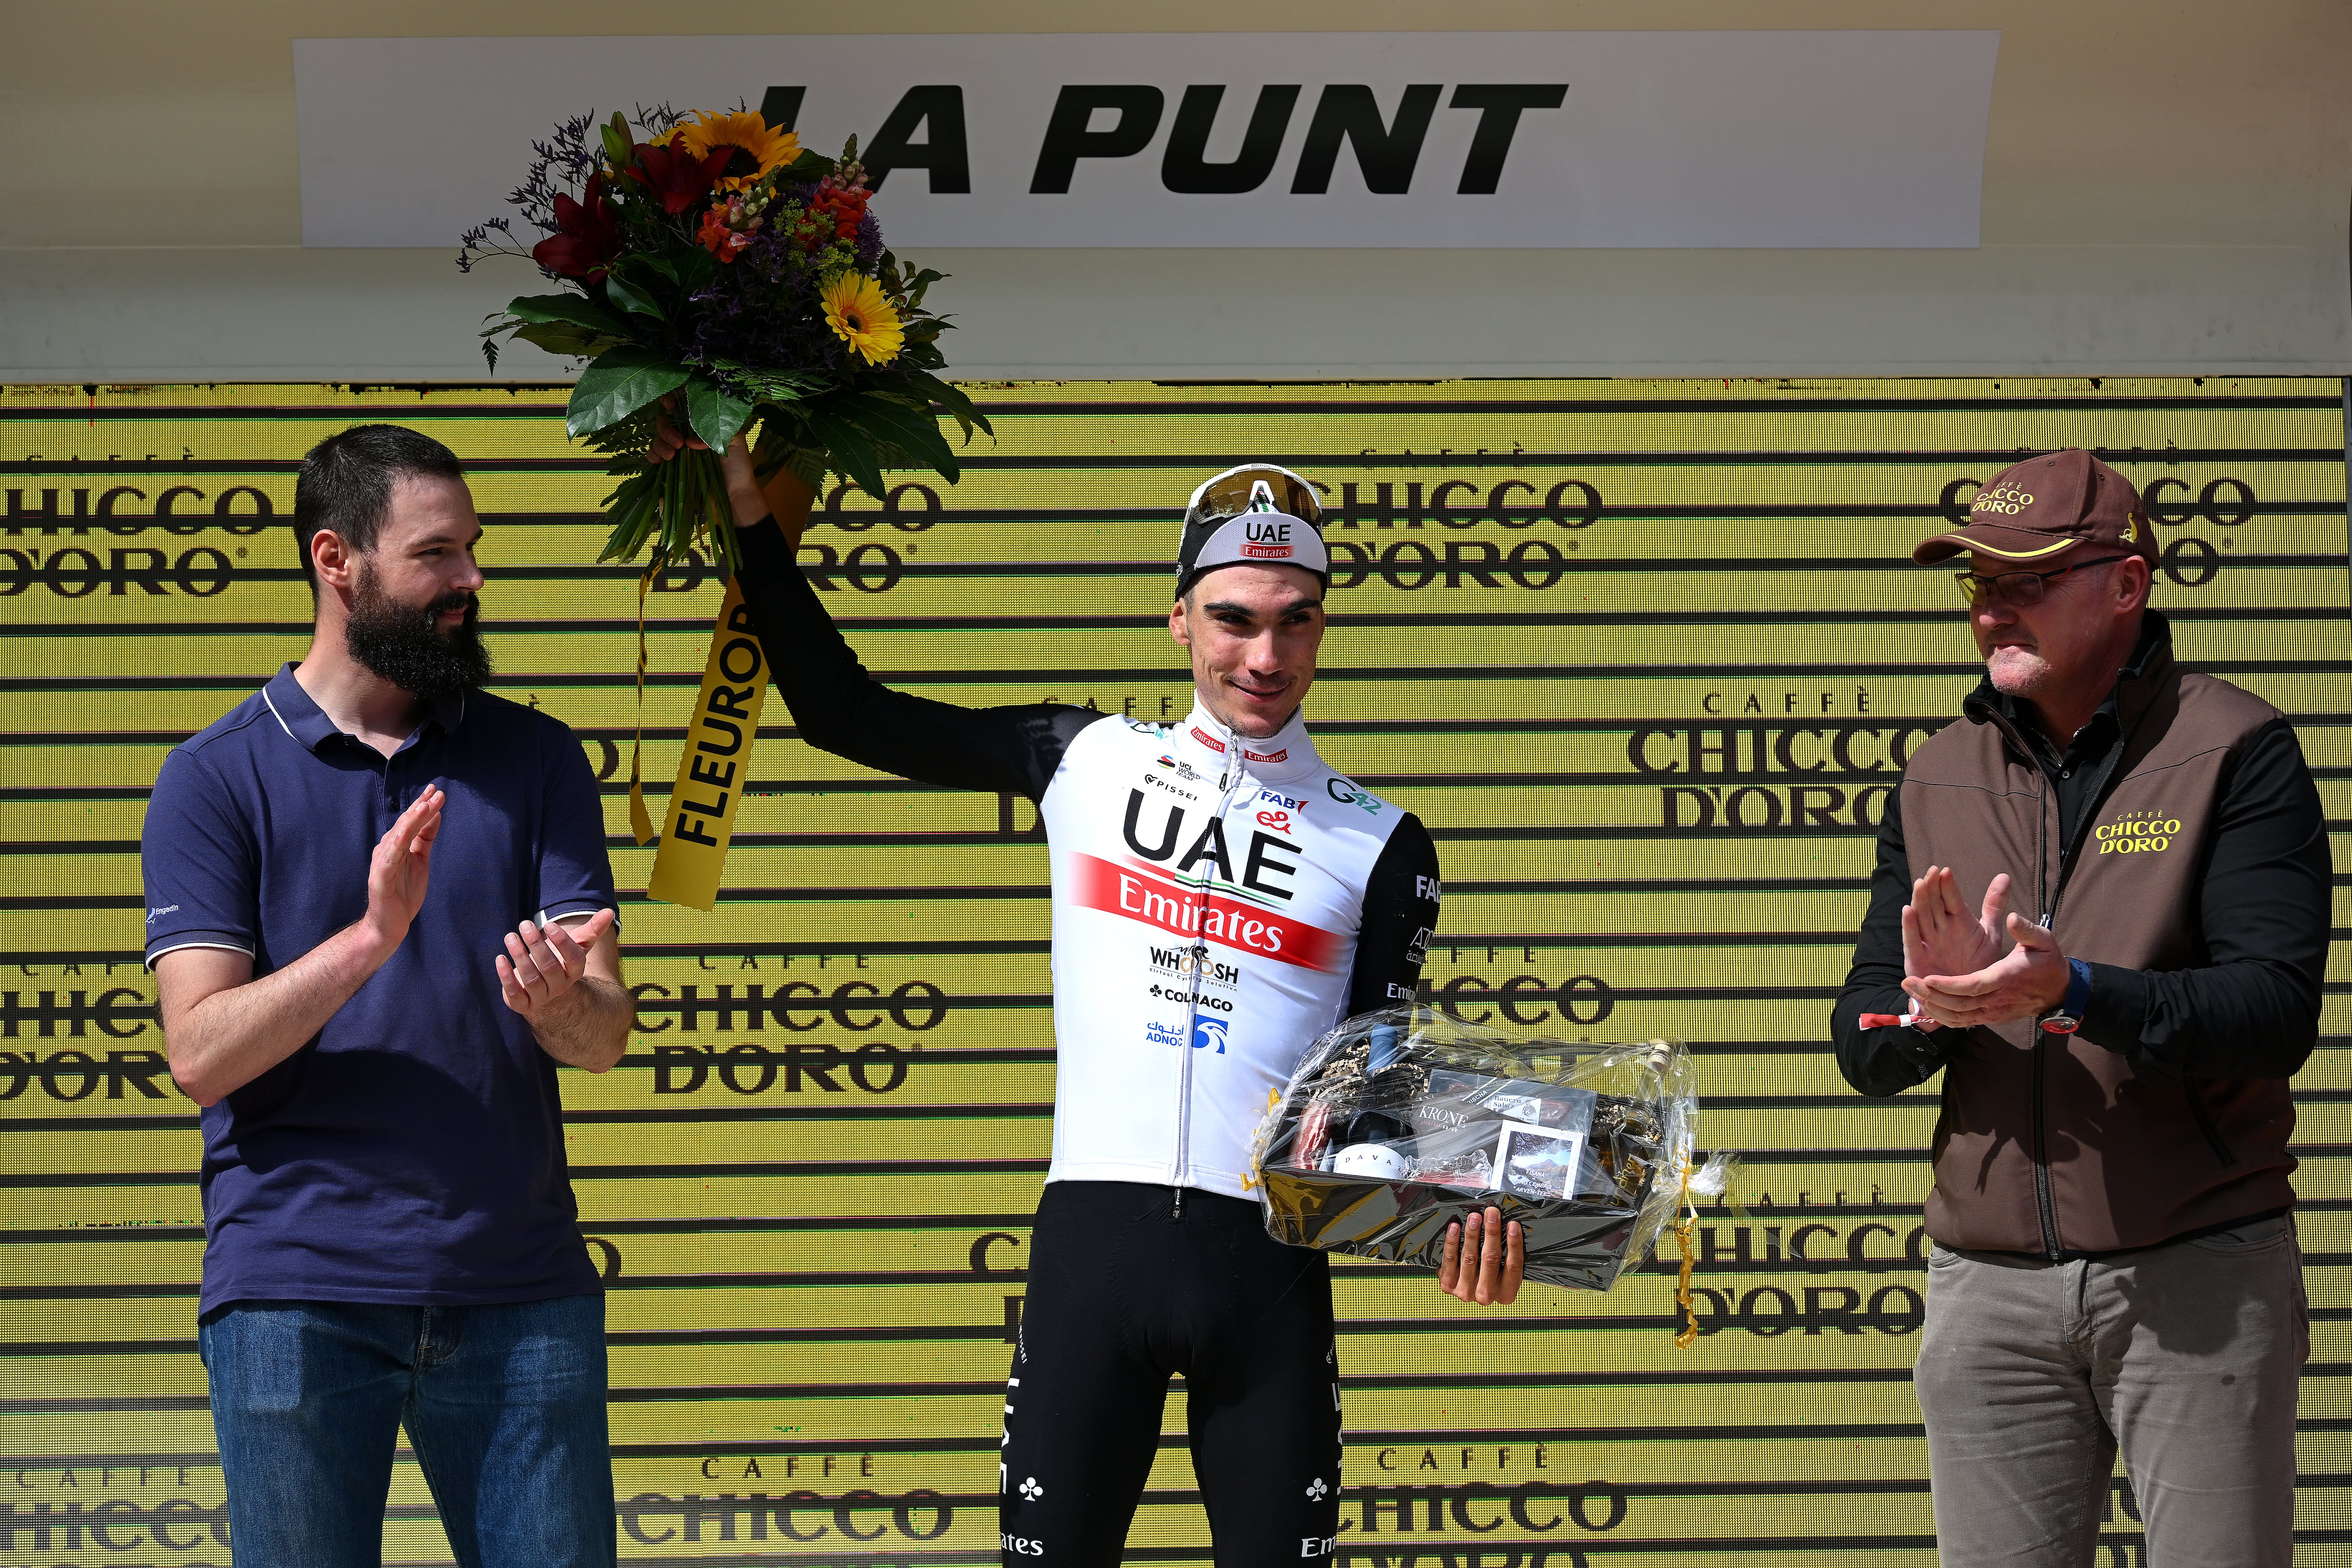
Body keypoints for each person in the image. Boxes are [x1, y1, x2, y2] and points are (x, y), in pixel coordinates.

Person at [649, 420, 1522, 1568]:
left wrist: (1480, 1217)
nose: (1265, 656)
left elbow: (1374, 1104)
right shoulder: (1085, 757)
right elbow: (840, 710)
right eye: (1234, 619)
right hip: (1089, 1264)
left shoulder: (1383, 841)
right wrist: (749, 516)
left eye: (1294, 619)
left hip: (1265, 1283)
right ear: (1178, 618)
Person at [142, 425, 632, 1568]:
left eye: (472, 549)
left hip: (520, 1285)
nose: (469, 579)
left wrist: (560, 1001)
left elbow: (603, 1035)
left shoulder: (539, 758)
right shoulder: (214, 776)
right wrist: (371, 937)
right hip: (295, 1294)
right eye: (436, 553)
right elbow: (201, 1053)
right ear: (337, 560)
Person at [1831, 448, 2324, 1567]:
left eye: (2024, 580)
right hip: (1986, 1293)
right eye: (1977, 585)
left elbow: (2273, 1009)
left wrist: (2076, 989)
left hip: (2195, 1272)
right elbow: (1861, 1030)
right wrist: (1926, 1011)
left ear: (2127, 584)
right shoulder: (1933, 774)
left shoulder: (2235, 749)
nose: (1990, 609)